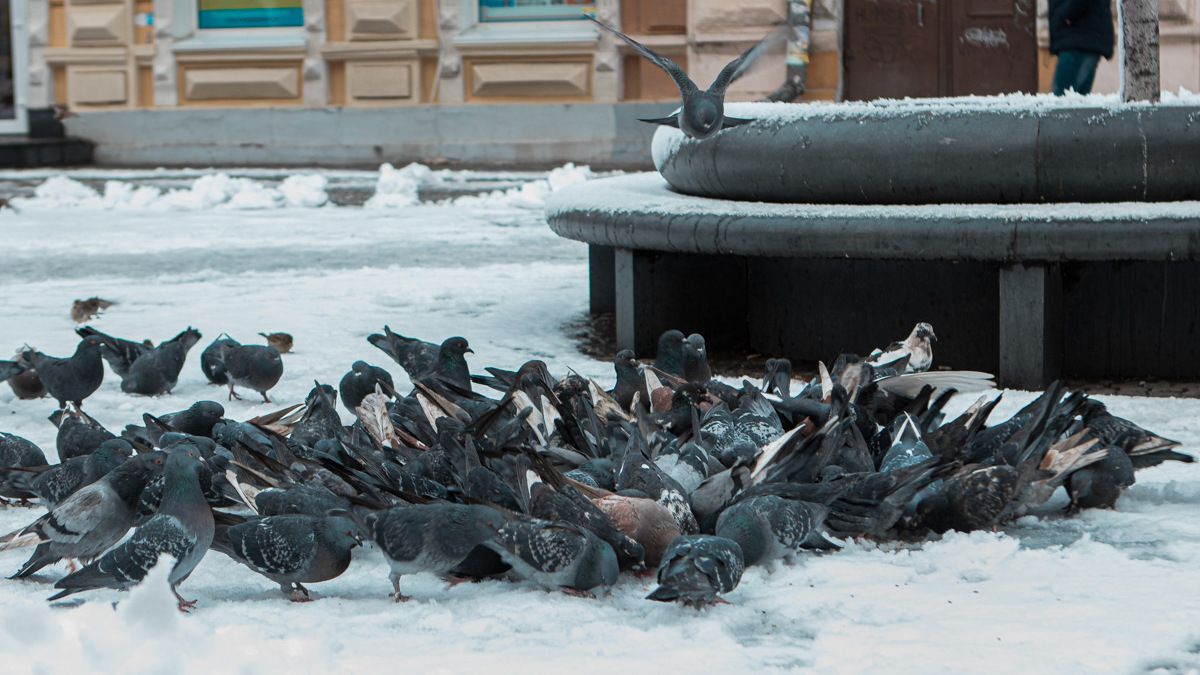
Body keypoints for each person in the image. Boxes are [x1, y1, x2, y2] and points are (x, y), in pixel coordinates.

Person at [1048, 0, 1115, 96]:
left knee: (1062, 99)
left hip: (1078, 39)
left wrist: (1065, 15)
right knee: (1076, 101)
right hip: (1082, 37)